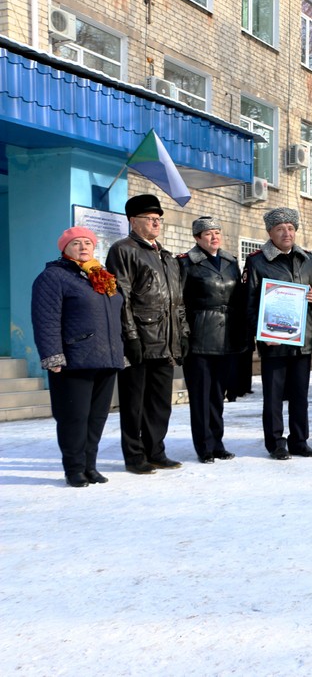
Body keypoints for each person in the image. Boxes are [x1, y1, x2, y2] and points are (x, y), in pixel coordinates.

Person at [31, 227, 125, 487]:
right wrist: (53, 356)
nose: (83, 247)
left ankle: (90, 467)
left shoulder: (103, 277)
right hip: (74, 360)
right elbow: (46, 319)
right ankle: (74, 469)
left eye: (87, 243)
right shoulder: (54, 277)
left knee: (97, 418)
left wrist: (120, 350)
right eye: (76, 244)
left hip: (106, 359)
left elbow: (117, 319)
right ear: (65, 249)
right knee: (74, 418)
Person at [106, 194, 187, 474]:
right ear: (133, 221)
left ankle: (156, 450)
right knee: (134, 404)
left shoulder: (166, 257)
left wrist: (183, 333)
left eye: (158, 219)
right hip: (140, 338)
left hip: (166, 341)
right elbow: (122, 295)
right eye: (150, 219)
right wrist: (130, 336)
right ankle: (134, 456)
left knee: (159, 403)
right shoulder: (123, 250)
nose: (156, 223)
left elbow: (177, 301)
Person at [244, 207, 312, 460]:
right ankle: (276, 442)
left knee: (300, 395)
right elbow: (250, 301)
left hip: (302, 340)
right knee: (274, 396)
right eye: (280, 229)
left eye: (290, 228)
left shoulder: (308, 260)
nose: (286, 233)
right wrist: (262, 334)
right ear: (270, 233)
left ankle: (300, 440)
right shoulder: (257, 261)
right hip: (274, 341)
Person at [178, 216, 247, 463]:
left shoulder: (230, 262)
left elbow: (239, 298)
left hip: (227, 337)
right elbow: (180, 304)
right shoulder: (186, 264)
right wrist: (185, 334)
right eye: (207, 233)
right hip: (200, 336)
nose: (214, 237)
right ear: (197, 238)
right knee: (200, 396)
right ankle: (204, 447)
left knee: (218, 395)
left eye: (217, 232)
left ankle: (217, 443)